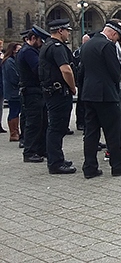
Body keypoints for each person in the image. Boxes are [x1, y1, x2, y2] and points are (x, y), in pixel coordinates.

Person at [80, 21, 121, 178]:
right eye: (118, 37)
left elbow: (82, 71)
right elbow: (115, 72)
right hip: (106, 94)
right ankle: (118, 165)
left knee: (91, 133)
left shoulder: (87, 44)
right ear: (113, 33)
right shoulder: (107, 46)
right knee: (113, 132)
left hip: (89, 93)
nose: (118, 41)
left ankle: (89, 167)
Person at [38, 19, 76, 174]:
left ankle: (57, 157)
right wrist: (73, 87)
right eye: (67, 30)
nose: (68, 34)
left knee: (56, 127)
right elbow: (66, 70)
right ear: (60, 31)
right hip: (58, 93)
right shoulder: (57, 47)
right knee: (57, 128)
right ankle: (55, 163)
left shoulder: (47, 45)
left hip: (52, 92)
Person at [18, 26, 50, 162]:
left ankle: (40, 149)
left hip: (35, 92)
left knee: (42, 122)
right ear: (33, 38)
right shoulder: (28, 52)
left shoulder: (29, 50)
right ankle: (29, 151)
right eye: (40, 41)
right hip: (32, 92)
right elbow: (38, 69)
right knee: (34, 123)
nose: (41, 44)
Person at [2, 42, 22, 141]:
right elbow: (13, 77)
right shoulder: (9, 61)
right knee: (14, 111)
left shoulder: (13, 60)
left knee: (16, 110)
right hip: (13, 91)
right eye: (18, 50)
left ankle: (16, 131)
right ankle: (14, 133)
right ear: (13, 50)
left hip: (14, 90)